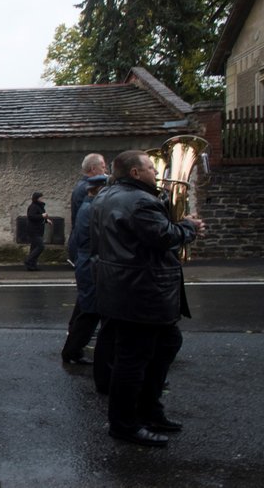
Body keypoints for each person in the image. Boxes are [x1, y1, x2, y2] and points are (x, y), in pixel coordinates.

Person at [89, 150, 204, 447]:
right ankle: (125, 424)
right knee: (134, 359)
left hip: (123, 287)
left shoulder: (106, 195)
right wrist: (189, 227)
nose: (157, 172)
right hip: (142, 291)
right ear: (135, 173)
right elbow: (163, 236)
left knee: (165, 344)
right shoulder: (140, 201)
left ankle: (150, 411)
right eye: (151, 168)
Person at [60, 174, 108, 364]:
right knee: (90, 312)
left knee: (87, 309)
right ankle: (72, 351)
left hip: (87, 263)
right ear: (99, 189)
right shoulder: (92, 208)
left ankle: (73, 350)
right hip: (90, 264)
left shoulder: (88, 206)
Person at [68, 153, 108, 264]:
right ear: (93, 169)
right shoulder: (85, 188)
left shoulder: (82, 186)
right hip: (87, 250)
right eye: (103, 167)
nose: (106, 171)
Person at [24, 192, 50, 271]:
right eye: (40, 198)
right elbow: (31, 216)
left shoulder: (39, 206)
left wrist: (46, 220)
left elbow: (38, 217)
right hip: (33, 230)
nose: (42, 199)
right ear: (37, 198)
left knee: (34, 247)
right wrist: (42, 216)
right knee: (40, 246)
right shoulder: (33, 206)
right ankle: (28, 261)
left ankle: (32, 265)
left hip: (38, 229)